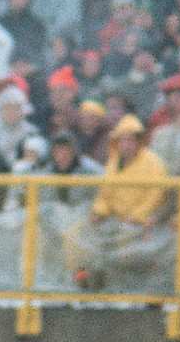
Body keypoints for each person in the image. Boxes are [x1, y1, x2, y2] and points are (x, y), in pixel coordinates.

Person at [62, 114, 173, 292]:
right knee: (77, 233)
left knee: (125, 239)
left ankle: (123, 289)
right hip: (112, 218)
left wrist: (135, 216)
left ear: (138, 141)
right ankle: (82, 281)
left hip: (138, 222)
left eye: (130, 140)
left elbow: (156, 195)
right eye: (122, 140)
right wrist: (98, 211)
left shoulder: (153, 164)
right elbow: (105, 193)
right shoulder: (113, 162)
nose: (126, 145)